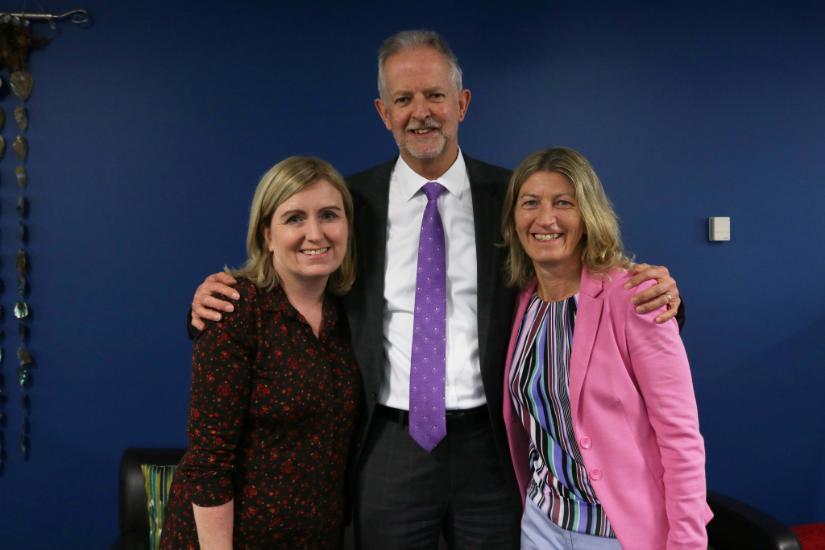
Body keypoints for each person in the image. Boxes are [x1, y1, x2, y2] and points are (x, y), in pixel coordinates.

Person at [188, 31, 682, 549]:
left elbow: (582, 274)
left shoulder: (514, 198)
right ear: (384, 112)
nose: (420, 112)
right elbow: (295, 273)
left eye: (434, 96)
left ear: (461, 104)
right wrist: (212, 302)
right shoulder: (349, 203)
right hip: (389, 443)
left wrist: (660, 297)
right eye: (403, 99)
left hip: (491, 442)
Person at [501, 147, 711, 549]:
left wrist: (687, 543)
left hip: (618, 532)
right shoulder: (522, 302)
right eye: (530, 203)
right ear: (514, 219)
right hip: (542, 523)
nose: (545, 219)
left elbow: (680, 437)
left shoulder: (635, 295)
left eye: (564, 203)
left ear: (587, 216)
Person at [162, 156, 361, 549]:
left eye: (329, 215)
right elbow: (209, 461)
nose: (315, 233)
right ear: (266, 234)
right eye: (294, 219)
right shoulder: (234, 311)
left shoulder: (348, 316)